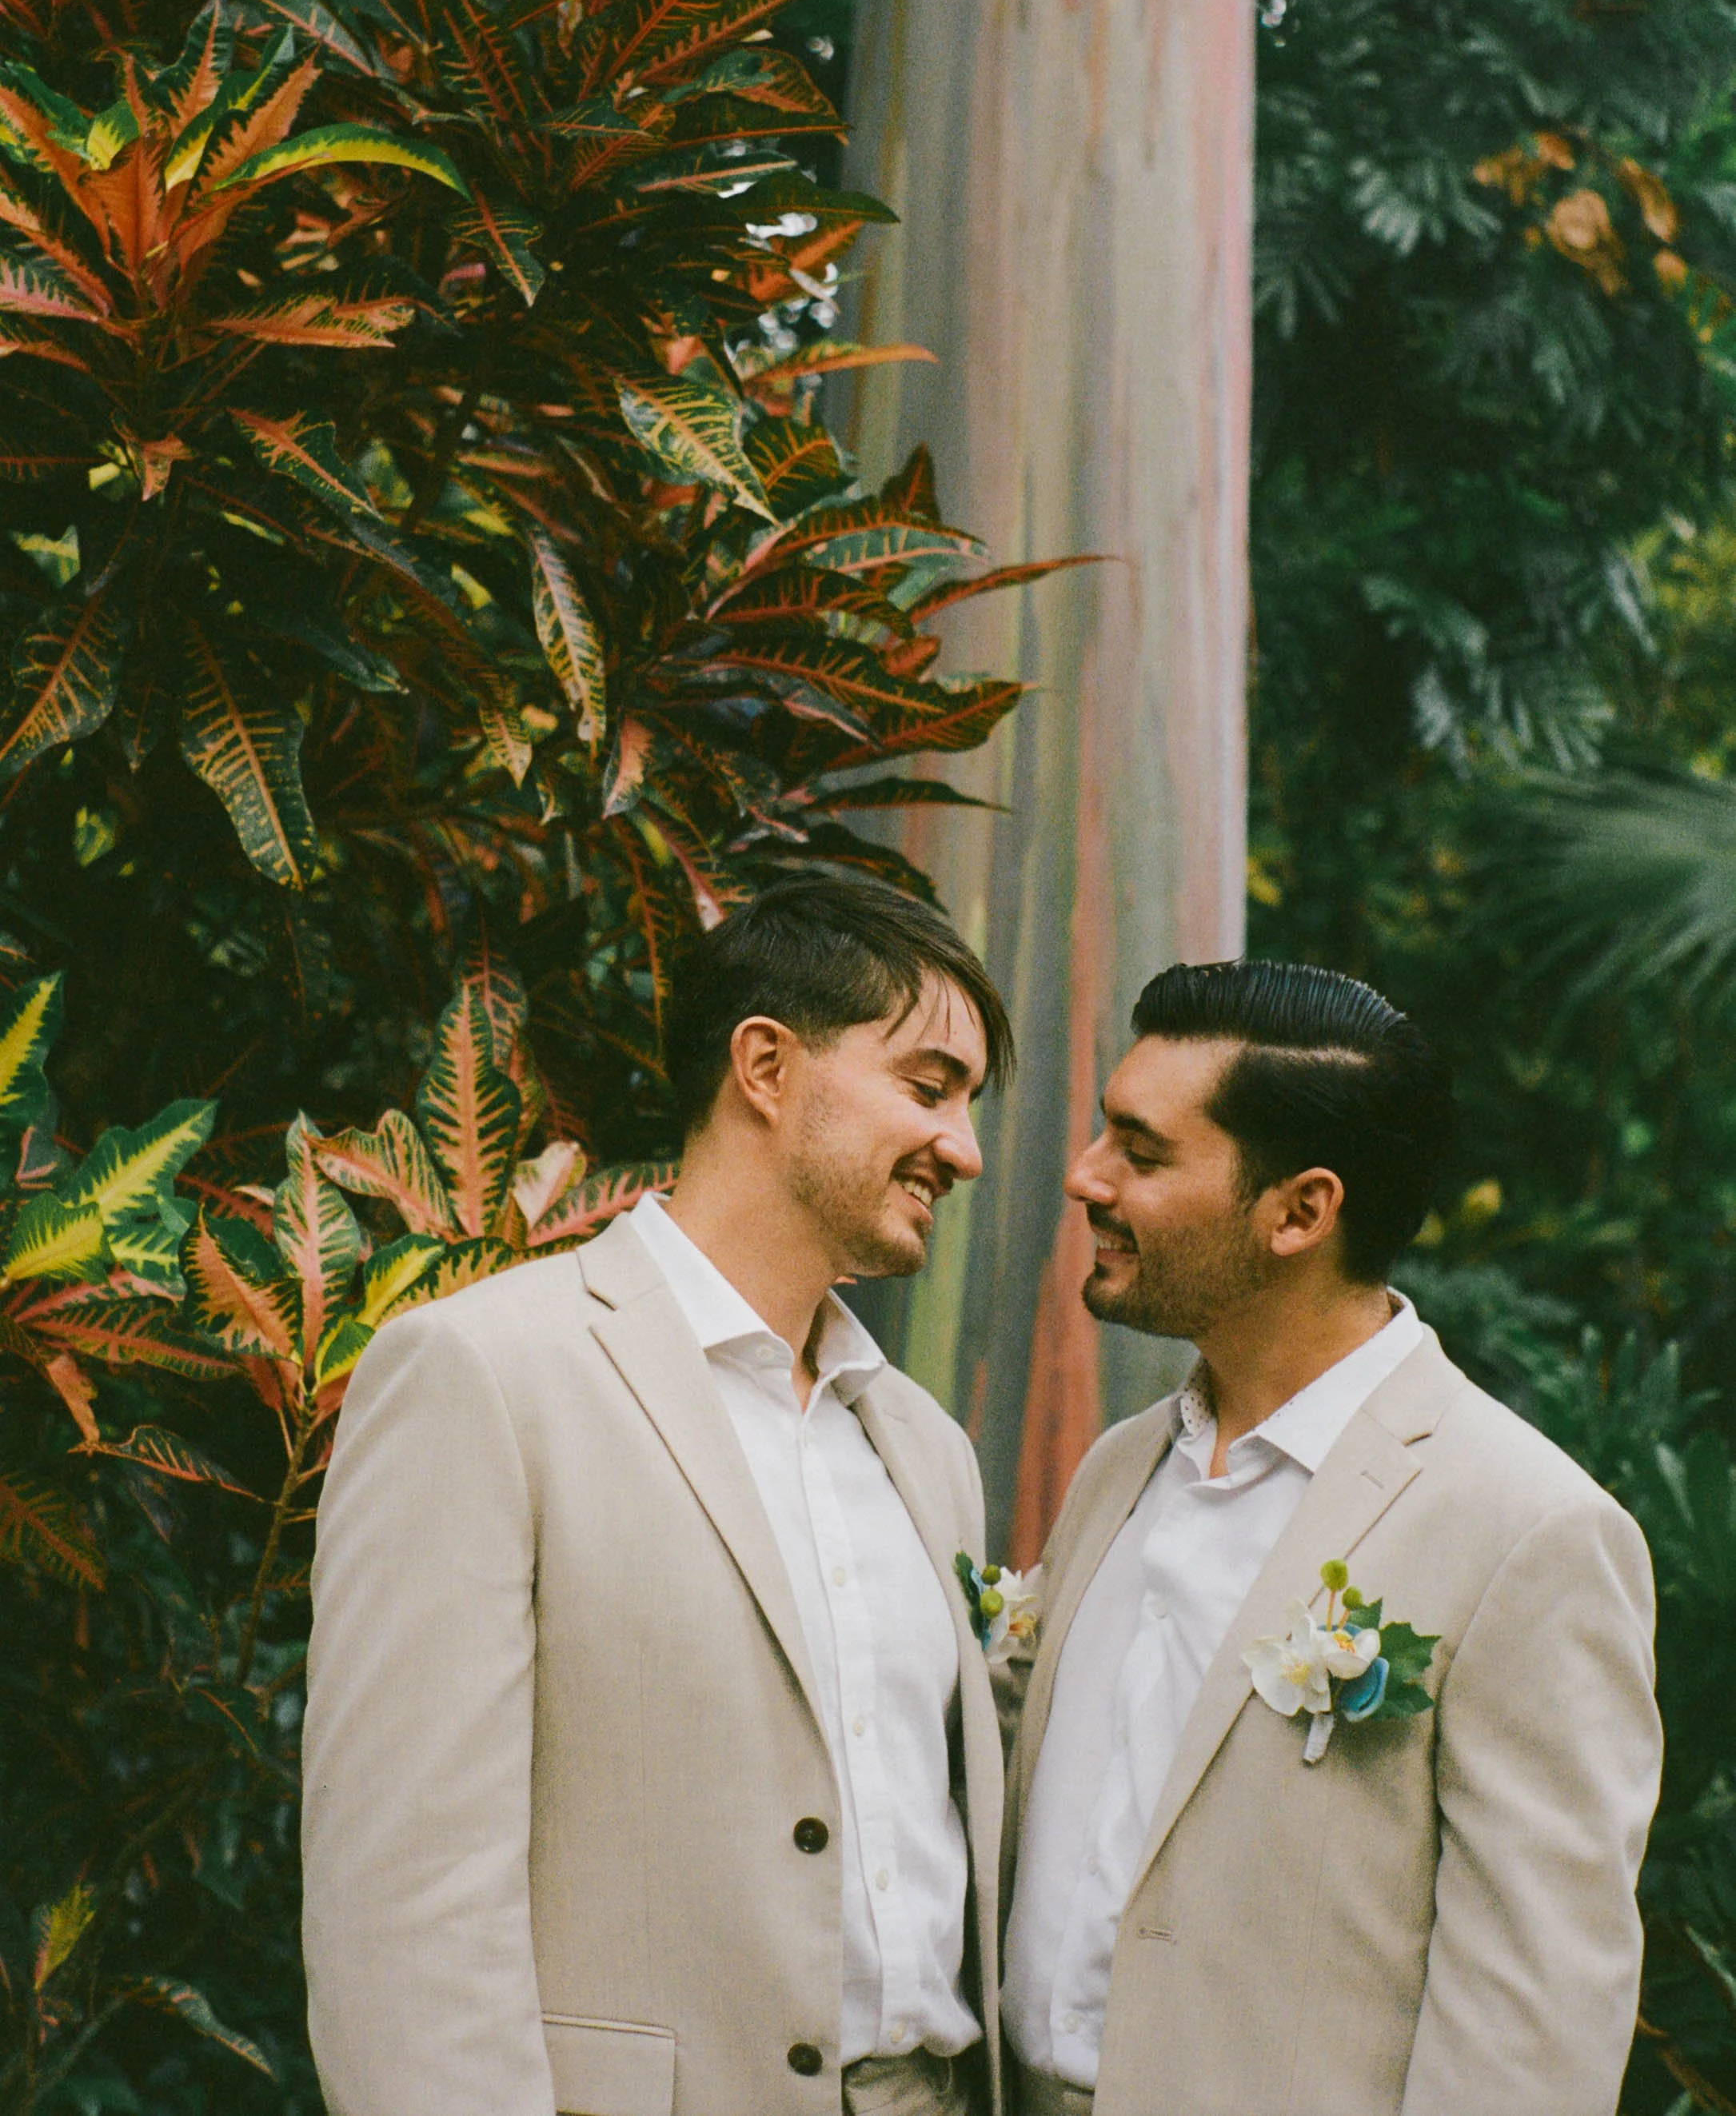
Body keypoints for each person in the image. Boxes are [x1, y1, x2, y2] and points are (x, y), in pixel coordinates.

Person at [301, 874, 1014, 2116]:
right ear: (765, 1066)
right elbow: (402, 1902)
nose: (963, 1148)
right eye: (928, 1086)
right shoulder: (484, 1374)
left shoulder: (924, 1446)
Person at [1001, 959, 1662, 2116]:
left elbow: (1532, 2028)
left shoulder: (1528, 1530)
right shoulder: (1117, 1467)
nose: (1083, 1176)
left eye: (1140, 1153)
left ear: (1300, 1210)